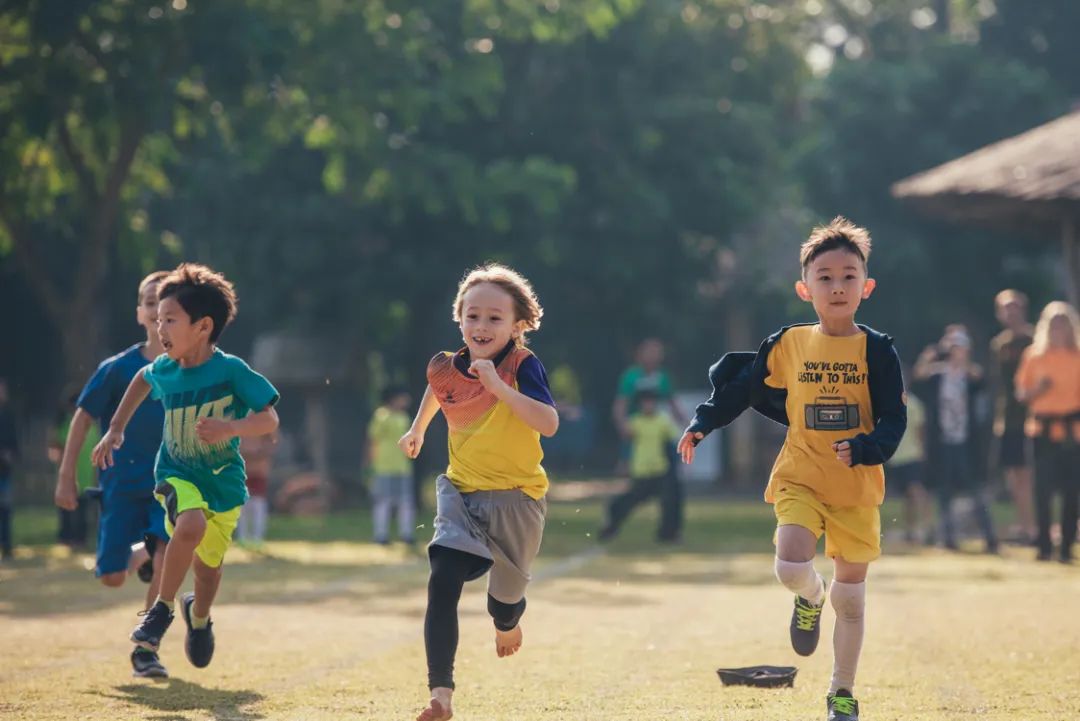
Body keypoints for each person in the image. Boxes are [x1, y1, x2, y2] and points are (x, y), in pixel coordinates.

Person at [678, 217, 906, 721]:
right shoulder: (789, 342)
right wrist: (703, 423)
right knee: (789, 565)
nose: (837, 286)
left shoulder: (879, 350)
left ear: (866, 287)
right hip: (801, 474)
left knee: (852, 601)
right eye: (824, 276)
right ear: (805, 288)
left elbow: (895, 415)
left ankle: (841, 692)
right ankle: (809, 597)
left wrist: (869, 448)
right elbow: (740, 388)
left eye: (849, 276)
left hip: (856, 485)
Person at [92, 263, 280, 671]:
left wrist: (230, 427)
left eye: (170, 320)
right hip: (176, 473)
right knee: (189, 525)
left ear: (203, 326)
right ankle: (160, 609)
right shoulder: (166, 369)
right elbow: (142, 378)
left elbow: (269, 421)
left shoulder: (230, 370)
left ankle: (199, 617)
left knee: (209, 573)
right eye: (157, 319)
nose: (160, 329)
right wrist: (116, 429)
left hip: (224, 486)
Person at [398, 263, 557, 721]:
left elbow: (548, 423)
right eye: (473, 316)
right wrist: (417, 429)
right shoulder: (445, 365)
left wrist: (498, 387)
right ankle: (440, 695)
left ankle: (508, 622)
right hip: (461, 492)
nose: (481, 326)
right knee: (442, 578)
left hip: (517, 498)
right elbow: (438, 389)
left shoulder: (523, 366)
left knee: (502, 605)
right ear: (459, 318)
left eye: (494, 318)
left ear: (518, 325)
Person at [53, 271, 171, 678]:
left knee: (165, 557)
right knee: (112, 579)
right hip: (119, 485)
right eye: (152, 302)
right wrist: (66, 476)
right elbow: (83, 420)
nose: (159, 311)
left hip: (169, 485)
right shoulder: (117, 369)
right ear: (140, 313)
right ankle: (133, 557)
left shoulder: (189, 370)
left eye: (168, 302)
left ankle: (146, 648)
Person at [913, 328, 997, 553]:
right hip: (943, 442)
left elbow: (982, 381)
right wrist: (927, 358)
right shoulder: (937, 374)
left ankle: (990, 538)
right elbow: (917, 381)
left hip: (967, 443)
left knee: (975, 489)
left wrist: (965, 364)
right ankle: (948, 537)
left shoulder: (969, 375)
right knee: (944, 491)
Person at [1014, 301, 1080, 563]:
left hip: (1072, 432)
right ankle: (1043, 546)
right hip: (1041, 430)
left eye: (1063, 324)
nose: (1058, 329)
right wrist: (1039, 389)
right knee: (1042, 490)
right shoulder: (1034, 356)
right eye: (1054, 324)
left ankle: (1065, 547)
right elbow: (1021, 394)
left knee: (1071, 491)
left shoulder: (1077, 356)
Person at [599, 388, 683, 542]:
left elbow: (673, 443)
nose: (648, 406)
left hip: (660, 470)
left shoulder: (662, 421)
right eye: (645, 403)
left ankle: (668, 534)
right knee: (622, 503)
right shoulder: (635, 421)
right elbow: (626, 439)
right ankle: (610, 528)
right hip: (642, 471)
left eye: (651, 402)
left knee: (671, 502)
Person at [989, 290, 1035, 543]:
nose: (1011, 312)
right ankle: (1024, 526)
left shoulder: (1035, 340)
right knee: (1014, 475)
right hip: (1008, 419)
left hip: (1034, 417)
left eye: (1015, 307)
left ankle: (1037, 526)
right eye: (1006, 308)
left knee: (1030, 475)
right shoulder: (999, 344)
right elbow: (1001, 388)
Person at [50, 393, 101, 548]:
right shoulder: (64, 425)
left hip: (87, 476)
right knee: (65, 510)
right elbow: (55, 447)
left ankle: (80, 540)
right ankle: (65, 539)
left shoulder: (93, 426)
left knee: (83, 512)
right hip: (68, 476)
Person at [884, 382, 932, 545]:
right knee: (907, 497)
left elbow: (920, 431)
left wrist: (921, 451)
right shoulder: (889, 402)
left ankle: (928, 526)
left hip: (912, 455)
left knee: (916, 490)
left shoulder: (914, 403)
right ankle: (910, 530)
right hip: (897, 456)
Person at [367, 386, 415, 545]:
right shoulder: (382, 415)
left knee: (405, 501)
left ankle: (406, 534)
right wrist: (371, 462)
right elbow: (373, 440)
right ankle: (381, 535)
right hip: (384, 466)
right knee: (383, 501)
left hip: (402, 466)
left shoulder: (404, 417)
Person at [236, 432, 276, 548]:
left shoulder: (264, 422)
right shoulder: (237, 420)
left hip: (259, 471)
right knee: (242, 505)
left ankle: (257, 538)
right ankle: (243, 538)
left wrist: (257, 455)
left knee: (258, 505)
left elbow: (271, 444)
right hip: (242, 471)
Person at [0, 378, 17, 562]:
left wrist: (11, 455)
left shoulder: (7, 415)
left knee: (5, 510)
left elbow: (14, 442)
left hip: (4, 471)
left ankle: (6, 546)